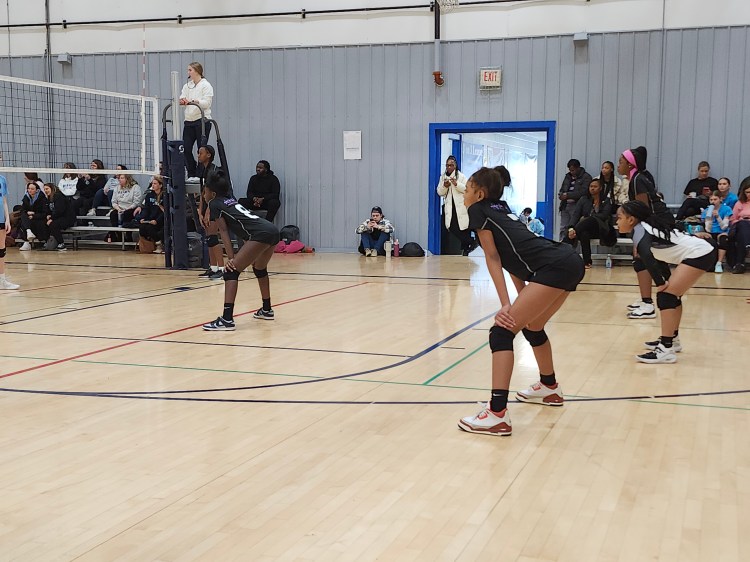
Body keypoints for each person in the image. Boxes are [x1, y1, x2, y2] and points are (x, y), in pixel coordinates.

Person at [456, 167, 584, 436]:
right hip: (567, 260)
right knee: (533, 326)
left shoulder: (478, 211)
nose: (463, 193)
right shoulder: (501, 208)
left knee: (501, 332)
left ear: (479, 194)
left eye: (467, 189)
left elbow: (493, 257)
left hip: (554, 266)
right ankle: (549, 387)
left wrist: (506, 305)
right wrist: (520, 296)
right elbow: (514, 260)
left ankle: (497, 414)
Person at [616, 201, 716, 363]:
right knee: (672, 296)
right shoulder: (645, 228)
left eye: (619, 218)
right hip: (701, 252)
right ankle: (672, 340)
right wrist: (665, 280)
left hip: (699, 253)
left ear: (631, 219)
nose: (617, 221)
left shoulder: (640, 230)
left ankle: (665, 349)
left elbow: (648, 258)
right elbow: (659, 257)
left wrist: (661, 283)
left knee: (666, 296)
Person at [201, 170, 280, 331]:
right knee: (259, 268)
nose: (203, 195)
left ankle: (227, 320)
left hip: (260, 233)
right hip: (271, 230)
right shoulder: (231, 200)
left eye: (205, 192)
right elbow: (243, 228)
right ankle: (266, 309)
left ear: (213, 193)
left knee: (231, 272)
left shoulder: (214, 204)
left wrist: (231, 258)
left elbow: (223, 231)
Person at [618, 146, 673, 320]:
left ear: (630, 164)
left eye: (621, 162)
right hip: (654, 221)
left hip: (658, 221)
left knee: (643, 259)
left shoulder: (637, 180)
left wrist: (640, 241)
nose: (618, 165)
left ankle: (650, 303)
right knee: (647, 260)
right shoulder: (636, 178)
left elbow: (644, 211)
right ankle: (652, 299)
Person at [562, 178, 615, 268]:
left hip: (601, 229)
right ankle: (587, 262)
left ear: (600, 188)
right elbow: (576, 215)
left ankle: (565, 242)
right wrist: (571, 228)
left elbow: (604, 215)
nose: (592, 188)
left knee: (590, 219)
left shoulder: (606, 200)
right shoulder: (584, 199)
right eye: (591, 186)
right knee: (584, 234)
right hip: (586, 228)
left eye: (595, 186)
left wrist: (589, 217)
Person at [180, 62, 214, 178]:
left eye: (190, 70)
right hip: (189, 121)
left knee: (201, 149)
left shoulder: (206, 85)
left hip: (202, 120)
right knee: (186, 148)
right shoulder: (187, 86)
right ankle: (191, 171)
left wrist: (195, 101)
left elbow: (207, 103)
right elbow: (182, 97)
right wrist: (183, 101)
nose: (188, 72)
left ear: (197, 71)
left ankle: (201, 174)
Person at [436, 155, 474, 255]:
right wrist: (445, 186)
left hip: (460, 207)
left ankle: (466, 248)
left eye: (451, 165)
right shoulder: (443, 177)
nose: (449, 167)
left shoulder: (461, 176)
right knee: (452, 227)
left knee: (463, 227)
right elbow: (440, 192)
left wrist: (456, 184)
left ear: (455, 166)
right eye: (447, 165)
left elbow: (466, 189)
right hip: (450, 207)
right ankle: (470, 242)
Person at [557, 159, 592, 240]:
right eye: (570, 170)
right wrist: (561, 194)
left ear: (578, 168)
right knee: (563, 227)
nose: (571, 172)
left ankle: (572, 246)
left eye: (573, 170)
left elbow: (584, 192)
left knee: (573, 228)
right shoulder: (568, 176)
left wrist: (568, 195)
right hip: (565, 205)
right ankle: (562, 244)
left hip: (577, 206)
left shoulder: (586, 177)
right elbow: (563, 188)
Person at [700, 191, 732, 273]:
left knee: (723, 240)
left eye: (715, 199)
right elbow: (708, 229)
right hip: (711, 232)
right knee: (710, 240)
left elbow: (724, 227)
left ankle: (719, 263)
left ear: (720, 199)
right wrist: (709, 219)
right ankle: (711, 262)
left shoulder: (726, 209)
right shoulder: (707, 211)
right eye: (711, 200)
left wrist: (718, 216)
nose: (713, 202)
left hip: (722, 231)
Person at [107, 174, 143, 243]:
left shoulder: (135, 187)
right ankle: (118, 235)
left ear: (127, 179)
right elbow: (113, 202)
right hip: (119, 208)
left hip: (131, 208)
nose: (119, 179)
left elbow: (137, 202)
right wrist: (118, 209)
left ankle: (128, 235)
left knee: (127, 214)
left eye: (122, 178)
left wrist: (128, 208)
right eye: (119, 178)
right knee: (113, 214)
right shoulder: (117, 188)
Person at [135, 176, 165, 252]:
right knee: (142, 227)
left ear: (160, 185)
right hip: (151, 218)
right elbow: (146, 208)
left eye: (155, 183)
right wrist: (144, 218)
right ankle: (152, 243)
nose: (153, 185)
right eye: (152, 184)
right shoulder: (149, 195)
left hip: (162, 219)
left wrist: (157, 221)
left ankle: (159, 244)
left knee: (150, 227)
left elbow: (164, 212)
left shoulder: (164, 196)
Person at [0, 174, 20, 289]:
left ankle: (2, 280)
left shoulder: (2, 179)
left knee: (1, 250)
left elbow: (4, 201)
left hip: (1, 218)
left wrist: (7, 219)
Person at [42, 182, 74, 251]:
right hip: (58, 217)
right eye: (44, 189)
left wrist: (51, 218)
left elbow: (60, 210)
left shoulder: (59, 196)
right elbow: (48, 210)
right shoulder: (48, 198)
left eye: (47, 189)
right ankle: (47, 241)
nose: (45, 191)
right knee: (43, 222)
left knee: (53, 224)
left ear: (52, 189)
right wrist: (48, 215)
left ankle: (61, 243)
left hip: (67, 218)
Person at [18, 182, 49, 251]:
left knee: (25, 222)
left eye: (32, 189)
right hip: (28, 218)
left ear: (37, 190)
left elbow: (44, 213)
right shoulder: (26, 197)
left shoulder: (42, 198)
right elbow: (22, 210)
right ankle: (28, 232)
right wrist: (27, 212)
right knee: (23, 216)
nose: (30, 190)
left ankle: (27, 241)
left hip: (39, 218)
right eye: (28, 188)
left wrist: (34, 216)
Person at [727, 182, 750, 274]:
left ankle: (740, 264)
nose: (749, 194)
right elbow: (733, 219)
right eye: (747, 192)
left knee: (741, 236)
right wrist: (742, 221)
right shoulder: (740, 203)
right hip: (740, 225)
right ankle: (747, 245)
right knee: (742, 225)